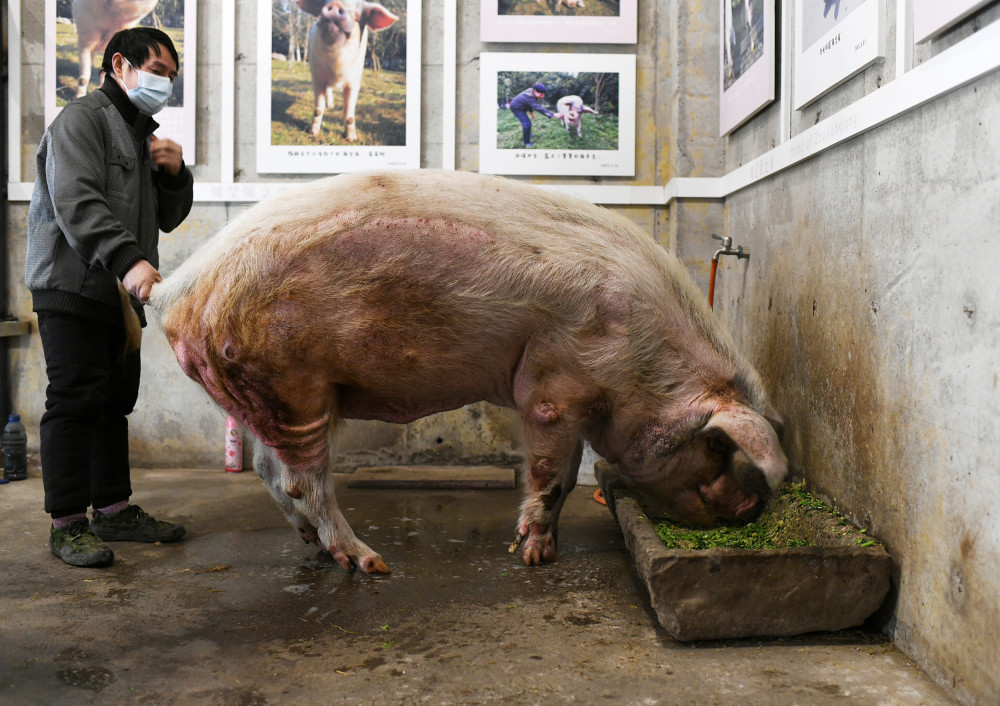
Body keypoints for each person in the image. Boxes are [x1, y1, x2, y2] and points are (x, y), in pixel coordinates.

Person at [25, 27, 194, 567]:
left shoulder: (141, 134)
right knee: (75, 400)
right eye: (159, 71)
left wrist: (174, 176)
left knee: (113, 404)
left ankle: (114, 511)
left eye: (171, 76)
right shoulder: (81, 120)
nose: (165, 83)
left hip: (120, 296)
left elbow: (166, 218)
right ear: (120, 65)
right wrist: (130, 262)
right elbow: (78, 204)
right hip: (71, 286)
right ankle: (68, 524)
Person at [508, 82, 556, 148]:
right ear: (535, 91)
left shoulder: (532, 91)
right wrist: (552, 114)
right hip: (516, 108)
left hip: (522, 106)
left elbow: (531, 104)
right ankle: (526, 142)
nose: (542, 96)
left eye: (543, 94)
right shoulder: (530, 96)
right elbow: (538, 108)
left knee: (527, 123)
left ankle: (528, 134)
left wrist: (531, 111)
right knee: (527, 124)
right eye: (541, 94)